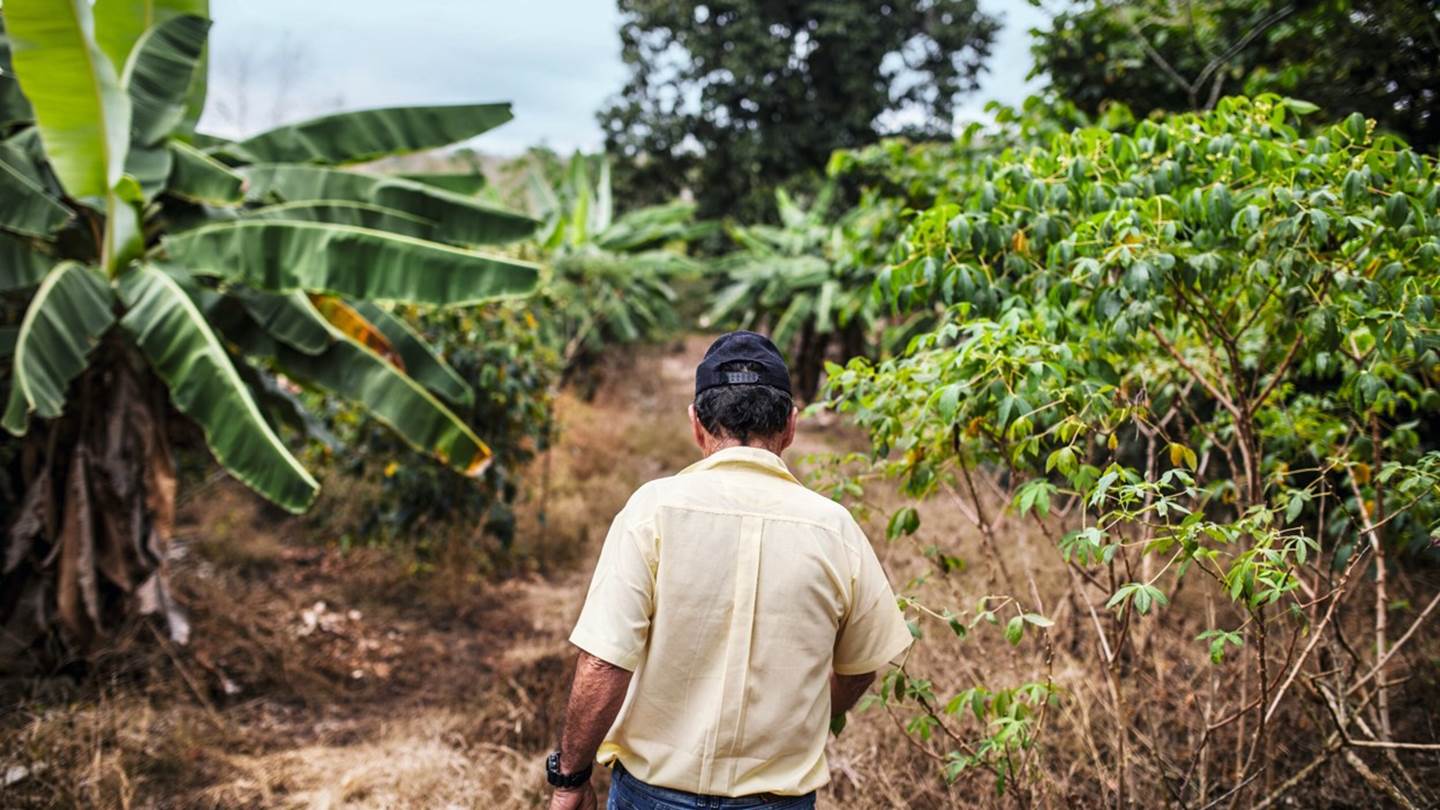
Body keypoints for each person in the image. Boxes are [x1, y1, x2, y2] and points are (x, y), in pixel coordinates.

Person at [544, 331, 912, 810]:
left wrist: (569, 779)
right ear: (791, 426)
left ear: (697, 424)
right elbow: (862, 665)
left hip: (653, 796)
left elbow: (603, 663)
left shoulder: (652, 511)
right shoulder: (834, 528)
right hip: (777, 800)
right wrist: (813, 712)